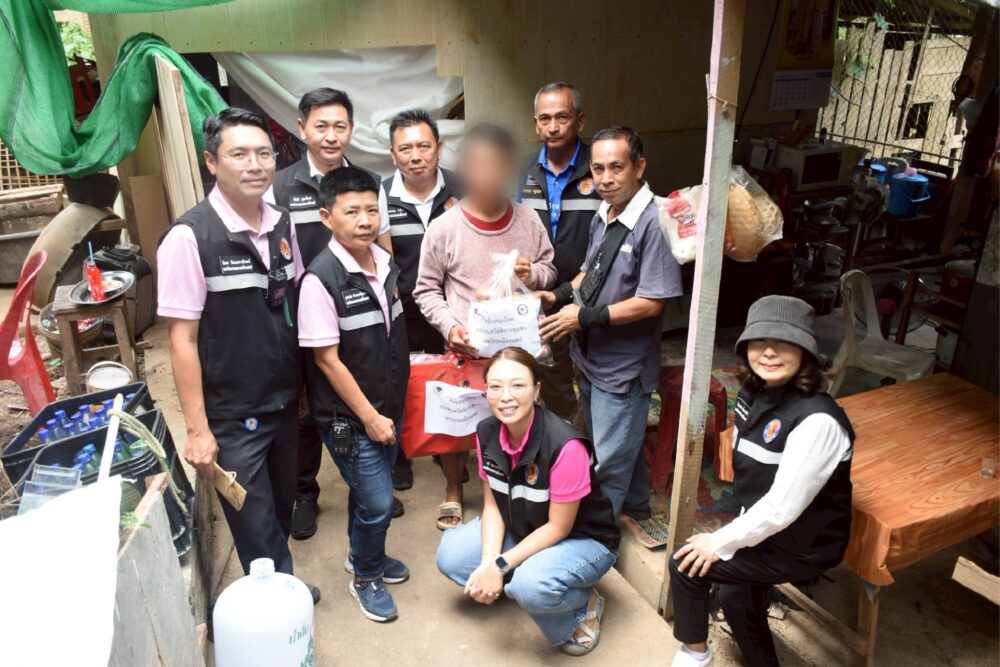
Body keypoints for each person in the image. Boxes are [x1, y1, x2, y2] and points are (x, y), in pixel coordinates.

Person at [157, 108, 318, 602]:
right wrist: (198, 429)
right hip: (232, 414)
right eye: (239, 154)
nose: (255, 165)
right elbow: (182, 340)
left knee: (282, 508)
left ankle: (279, 586)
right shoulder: (190, 237)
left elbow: (290, 307)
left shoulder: (282, 223)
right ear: (212, 162)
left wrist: (304, 387)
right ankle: (279, 604)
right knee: (254, 521)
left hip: (284, 401)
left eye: (264, 153)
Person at [668, 295, 855, 667]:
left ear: (806, 352)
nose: (769, 352)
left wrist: (719, 542)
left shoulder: (817, 420)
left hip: (801, 545)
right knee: (734, 594)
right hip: (769, 529)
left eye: (784, 342)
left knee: (685, 565)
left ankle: (695, 654)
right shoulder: (753, 395)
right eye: (759, 341)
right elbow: (753, 476)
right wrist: (735, 534)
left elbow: (780, 509)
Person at [268, 87, 397, 540]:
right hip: (302, 312)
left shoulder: (367, 181)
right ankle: (305, 491)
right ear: (301, 128)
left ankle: (373, 480)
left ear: (351, 130)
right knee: (307, 406)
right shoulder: (281, 186)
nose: (331, 135)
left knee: (364, 384)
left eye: (340, 126)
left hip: (357, 307)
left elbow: (383, 241)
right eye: (321, 125)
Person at [414, 123, 557, 530]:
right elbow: (425, 289)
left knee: (515, 420)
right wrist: (450, 328)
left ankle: (507, 489)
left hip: (518, 349)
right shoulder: (445, 227)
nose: (488, 174)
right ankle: (454, 491)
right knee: (458, 424)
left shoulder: (528, 220)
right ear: (465, 168)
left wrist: (532, 273)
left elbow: (550, 269)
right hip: (467, 348)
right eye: (479, 164)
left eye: (497, 165)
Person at [539, 126, 682, 530]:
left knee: (608, 463)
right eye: (598, 169)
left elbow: (652, 302)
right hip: (591, 358)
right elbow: (590, 271)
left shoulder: (654, 223)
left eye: (616, 167)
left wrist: (583, 317)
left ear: (639, 166)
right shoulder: (604, 214)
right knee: (616, 445)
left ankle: (597, 538)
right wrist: (557, 295)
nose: (605, 178)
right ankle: (637, 507)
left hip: (624, 367)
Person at [436, 347, 620, 656]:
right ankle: (522, 579)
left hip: (582, 539)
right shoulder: (486, 432)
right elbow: (492, 505)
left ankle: (582, 603)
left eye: (518, 385)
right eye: (496, 387)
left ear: (536, 389)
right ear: (486, 391)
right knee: (451, 557)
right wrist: (489, 561)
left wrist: (501, 565)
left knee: (529, 586)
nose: (506, 396)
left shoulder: (565, 445)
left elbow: (559, 528)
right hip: (525, 524)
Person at [297, 166, 411, 623]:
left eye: (371, 210)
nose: (365, 221)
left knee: (366, 495)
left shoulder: (384, 263)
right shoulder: (320, 280)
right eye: (352, 212)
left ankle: (362, 554)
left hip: (388, 405)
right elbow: (328, 362)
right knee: (379, 502)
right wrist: (370, 417)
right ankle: (366, 576)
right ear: (327, 217)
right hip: (351, 417)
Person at [383, 108, 463, 491]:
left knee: (451, 380)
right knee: (400, 382)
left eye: (424, 146)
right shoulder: (380, 196)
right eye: (406, 148)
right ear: (393, 154)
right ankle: (400, 452)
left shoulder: (462, 189)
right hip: (402, 312)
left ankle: (448, 449)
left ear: (439, 148)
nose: (416, 156)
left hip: (452, 311)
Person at [520, 82, 601, 423]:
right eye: (545, 119)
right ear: (536, 124)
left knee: (598, 382)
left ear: (580, 121)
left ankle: (596, 444)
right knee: (554, 380)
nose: (552, 127)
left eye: (562, 117)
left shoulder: (600, 168)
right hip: (542, 297)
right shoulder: (522, 171)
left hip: (594, 295)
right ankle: (566, 444)